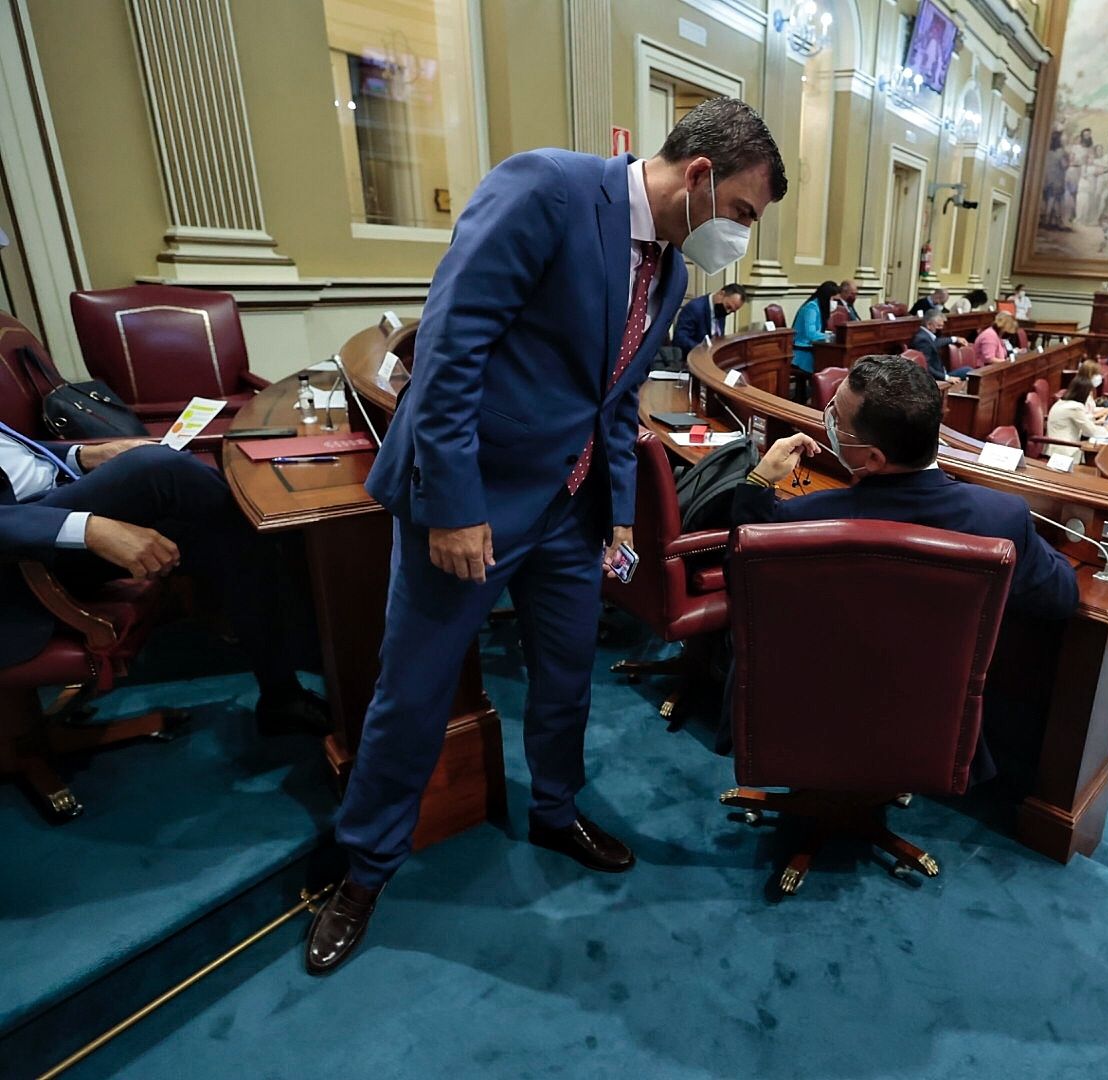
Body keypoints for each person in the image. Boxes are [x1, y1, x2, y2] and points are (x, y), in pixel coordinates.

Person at [304, 96, 787, 976]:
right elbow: (451, 350)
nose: (742, 238)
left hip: (568, 515)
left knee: (566, 680)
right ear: (703, 175)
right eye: (746, 215)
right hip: (475, 505)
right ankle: (364, 867)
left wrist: (617, 517)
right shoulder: (547, 189)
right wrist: (452, 504)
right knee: (413, 693)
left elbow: (611, 403)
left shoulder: (673, 274)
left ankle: (556, 812)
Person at [0, 432, 325, 731]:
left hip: (44, 509)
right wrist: (88, 528)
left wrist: (83, 455)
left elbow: (13, 456)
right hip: (17, 561)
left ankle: (285, 691)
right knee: (158, 469)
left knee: (220, 535)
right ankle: (322, 648)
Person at [733, 355, 1078, 623]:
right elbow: (1062, 597)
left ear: (873, 458)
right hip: (937, 703)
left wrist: (759, 482)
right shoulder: (1003, 517)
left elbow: (741, 577)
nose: (829, 422)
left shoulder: (805, 519)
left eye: (836, 417)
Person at [1046, 363, 1108, 446]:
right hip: (1065, 448)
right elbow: (1091, 431)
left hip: (1063, 443)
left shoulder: (1062, 402)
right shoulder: (1074, 407)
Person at [670, 283, 747, 358]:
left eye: (732, 311)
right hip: (691, 359)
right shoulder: (695, 308)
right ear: (721, 294)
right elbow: (680, 338)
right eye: (728, 307)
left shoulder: (721, 310)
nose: (728, 312)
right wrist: (702, 349)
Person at [791, 280, 840, 383]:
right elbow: (811, 334)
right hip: (802, 351)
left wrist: (828, 335)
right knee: (826, 365)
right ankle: (818, 394)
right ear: (826, 296)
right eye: (832, 299)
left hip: (811, 348)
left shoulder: (819, 306)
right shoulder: (811, 307)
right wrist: (830, 337)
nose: (834, 303)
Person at [909, 309, 969, 382]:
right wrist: (946, 378)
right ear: (929, 325)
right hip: (936, 379)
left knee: (969, 371)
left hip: (942, 375)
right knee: (969, 371)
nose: (941, 328)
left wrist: (955, 339)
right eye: (938, 326)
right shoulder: (922, 340)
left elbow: (936, 342)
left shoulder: (925, 335)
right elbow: (925, 366)